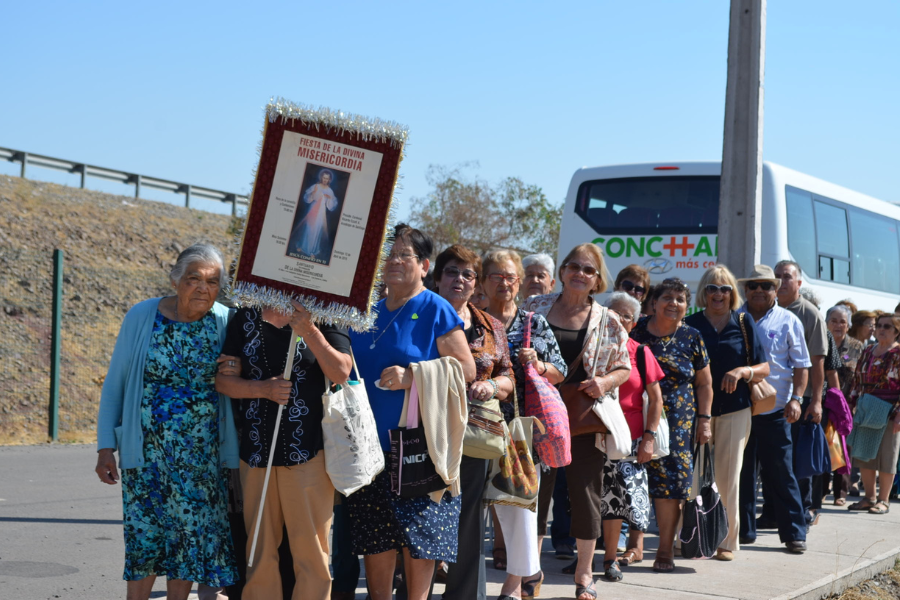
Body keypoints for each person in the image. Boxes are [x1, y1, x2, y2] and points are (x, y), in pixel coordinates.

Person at [95, 243, 239, 600]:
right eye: (194, 279)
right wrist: (104, 447)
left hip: (201, 461)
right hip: (145, 456)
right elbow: (116, 382)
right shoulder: (142, 316)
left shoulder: (226, 320)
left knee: (188, 543)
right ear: (176, 280)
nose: (203, 288)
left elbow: (237, 378)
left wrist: (237, 369)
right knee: (144, 538)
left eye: (212, 281)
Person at [345, 224, 476, 600]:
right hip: (369, 445)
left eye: (404, 255)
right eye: (388, 255)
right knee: (376, 537)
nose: (394, 262)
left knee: (420, 537)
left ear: (424, 265)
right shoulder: (364, 313)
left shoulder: (436, 308)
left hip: (418, 445)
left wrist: (414, 376)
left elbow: (466, 370)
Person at [214, 299, 352, 600]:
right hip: (256, 454)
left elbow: (343, 372)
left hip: (308, 453)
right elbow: (224, 381)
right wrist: (262, 389)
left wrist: (309, 330)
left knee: (311, 552)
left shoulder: (324, 314)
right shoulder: (245, 317)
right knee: (259, 550)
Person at [524, 242, 630, 599]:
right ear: (562, 270)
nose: (579, 274)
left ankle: (584, 574)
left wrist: (603, 382)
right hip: (539, 414)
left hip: (584, 416)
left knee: (586, 494)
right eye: (573, 266)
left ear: (598, 279)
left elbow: (624, 367)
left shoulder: (609, 318)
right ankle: (530, 569)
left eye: (588, 269)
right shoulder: (535, 306)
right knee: (536, 493)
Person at [480, 248, 565, 600]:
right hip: (477, 427)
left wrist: (539, 364)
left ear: (519, 282)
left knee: (520, 509)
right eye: (497, 275)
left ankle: (513, 586)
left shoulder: (534, 322)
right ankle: (522, 571)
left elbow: (561, 372)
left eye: (511, 276)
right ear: (483, 281)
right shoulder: (472, 320)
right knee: (484, 509)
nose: (505, 282)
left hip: (520, 432)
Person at [433, 244, 515, 600]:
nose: (460, 280)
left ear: (476, 284)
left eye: (468, 274)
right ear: (437, 277)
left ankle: (464, 596)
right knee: (421, 518)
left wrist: (492, 385)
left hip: (474, 435)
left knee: (468, 523)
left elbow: (509, 378)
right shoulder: (419, 315)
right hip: (424, 432)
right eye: (452, 272)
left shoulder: (490, 325)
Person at [684, 266, 770, 561]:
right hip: (696, 412)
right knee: (694, 478)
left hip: (736, 410)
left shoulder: (743, 322)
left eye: (724, 289)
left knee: (728, 476)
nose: (718, 294)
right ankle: (693, 535)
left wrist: (743, 370)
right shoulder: (690, 323)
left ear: (732, 293)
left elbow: (764, 367)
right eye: (712, 288)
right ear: (703, 292)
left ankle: (727, 542)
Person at [630, 278, 712, 573]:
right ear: (654, 302)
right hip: (637, 416)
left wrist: (704, 420)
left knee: (672, 486)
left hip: (679, 422)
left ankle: (664, 549)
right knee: (634, 477)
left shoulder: (692, 336)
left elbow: (704, 384)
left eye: (680, 299)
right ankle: (634, 545)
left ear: (687, 306)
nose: (673, 304)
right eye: (667, 297)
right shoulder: (636, 331)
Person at [736, 264, 810, 553]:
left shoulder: (789, 320)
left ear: (775, 289)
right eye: (752, 285)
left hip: (776, 411)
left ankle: (794, 533)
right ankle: (743, 532)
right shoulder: (734, 318)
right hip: (739, 410)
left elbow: (801, 365)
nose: (758, 290)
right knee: (741, 474)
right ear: (745, 289)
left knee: (781, 472)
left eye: (765, 285)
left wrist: (797, 399)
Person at [598, 292, 664, 575]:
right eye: (614, 312)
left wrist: (648, 438)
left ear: (635, 322)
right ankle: (585, 554)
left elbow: (656, 400)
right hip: (592, 437)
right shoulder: (592, 348)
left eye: (627, 316)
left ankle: (610, 558)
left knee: (616, 501)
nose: (620, 319)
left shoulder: (640, 351)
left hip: (628, 440)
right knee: (586, 499)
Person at [774, 261, 830, 527]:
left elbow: (818, 362)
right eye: (777, 277)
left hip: (802, 399)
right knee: (774, 460)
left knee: (800, 461)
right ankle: (774, 512)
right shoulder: (767, 311)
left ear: (798, 283)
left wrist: (816, 402)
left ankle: (803, 510)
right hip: (772, 400)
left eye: (787, 277)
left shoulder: (809, 314)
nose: (781, 282)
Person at [846, 313, 900, 515]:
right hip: (867, 407)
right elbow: (857, 380)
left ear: (896, 331)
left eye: (887, 326)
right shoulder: (868, 350)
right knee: (864, 454)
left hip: (890, 410)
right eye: (879, 325)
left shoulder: (898, 353)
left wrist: (899, 415)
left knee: (888, 456)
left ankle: (883, 500)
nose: (881, 329)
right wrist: (852, 404)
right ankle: (869, 498)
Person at [827, 304, 864, 506]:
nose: (838, 325)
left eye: (843, 321)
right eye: (834, 320)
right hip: (825, 402)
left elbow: (860, 376)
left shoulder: (857, 347)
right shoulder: (820, 342)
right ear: (827, 323)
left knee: (844, 448)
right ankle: (822, 489)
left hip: (848, 405)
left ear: (848, 325)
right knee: (825, 445)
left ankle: (840, 492)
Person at [291, 168, 339, 258]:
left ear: (329, 180)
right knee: (308, 229)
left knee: (317, 230)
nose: (325, 180)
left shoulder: (330, 191)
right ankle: (302, 246)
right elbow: (307, 198)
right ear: (321, 178)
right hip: (313, 209)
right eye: (324, 178)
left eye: (327, 178)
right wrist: (313, 193)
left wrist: (329, 198)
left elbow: (331, 206)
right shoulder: (316, 186)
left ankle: (312, 250)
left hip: (321, 213)